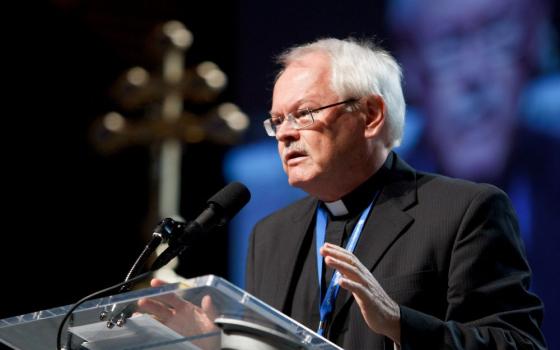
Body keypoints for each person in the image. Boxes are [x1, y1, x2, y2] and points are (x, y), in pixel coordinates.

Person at [140, 37, 546, 349]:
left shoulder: (465, 211)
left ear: (370, 115)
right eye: (277, 119)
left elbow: (517, 344)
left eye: (304, 113)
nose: (284, 132)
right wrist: (221, 344)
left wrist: (399, 323)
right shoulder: (270, 234)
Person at [386, 0, 560, 347]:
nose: (475, 74)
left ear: (533, 43)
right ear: (411, 70)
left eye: (498, 33)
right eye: (448, 44)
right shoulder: (377, 214)